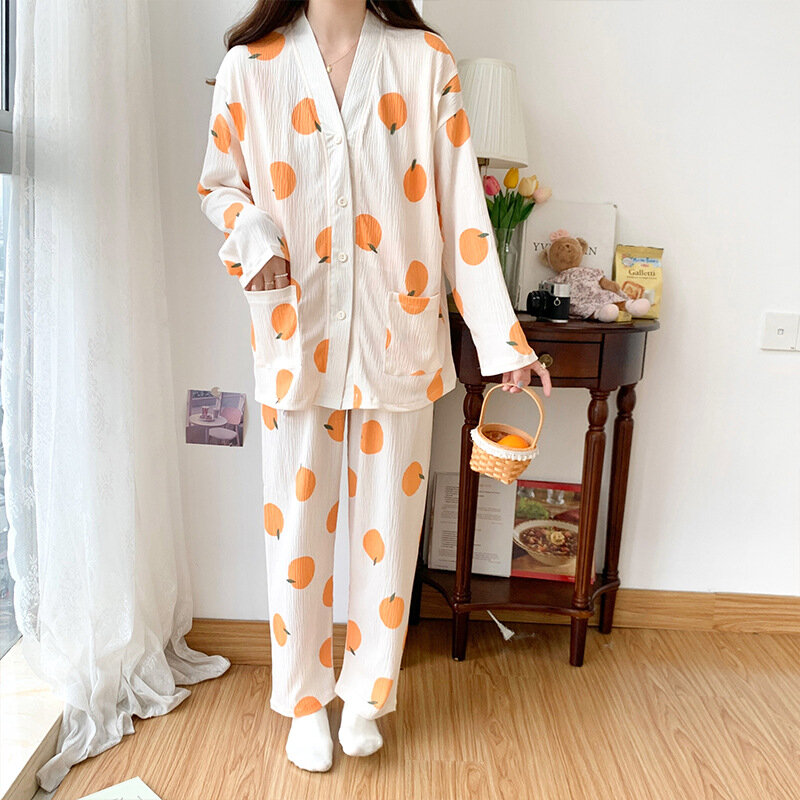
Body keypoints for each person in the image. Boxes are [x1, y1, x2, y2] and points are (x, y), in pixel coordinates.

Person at [197, 0, 552, 773]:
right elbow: (221, 186)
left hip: (401, 332)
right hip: (297, 332)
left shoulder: (424, 61)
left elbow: (462, 210)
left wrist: (501, 342)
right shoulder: (250, 66)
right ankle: (304, 703)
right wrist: (253, 232)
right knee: (296, 529)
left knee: (389, 523)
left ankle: (365, 694)